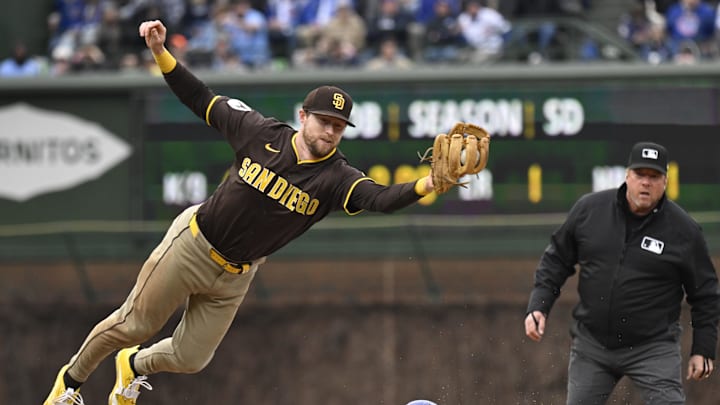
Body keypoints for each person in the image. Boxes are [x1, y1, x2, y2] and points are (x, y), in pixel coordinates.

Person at [43, 18, 437, 405]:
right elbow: (200, 98)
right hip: (194, 246)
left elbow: (381, 199)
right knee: (134, 325)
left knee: (190, 359)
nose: (330, 131)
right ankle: (70, 383)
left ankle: (132, 366)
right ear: (303, 116)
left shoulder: (337, 177)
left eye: (338, 126)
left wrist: (429, 184)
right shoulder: (259, 132)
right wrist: (161, 53)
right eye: (324, 121)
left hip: (236, 276)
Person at [524, 141, 719, 404]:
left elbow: (705, 294)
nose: (646, 183)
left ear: (666, 181)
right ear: (627, 176)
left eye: (654, 176)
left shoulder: (684, 231)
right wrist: (539, 304)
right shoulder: (590, 210)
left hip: (653, 347)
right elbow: (557, 259)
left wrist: (703, 349)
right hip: (593, 345)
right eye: (640, 175)